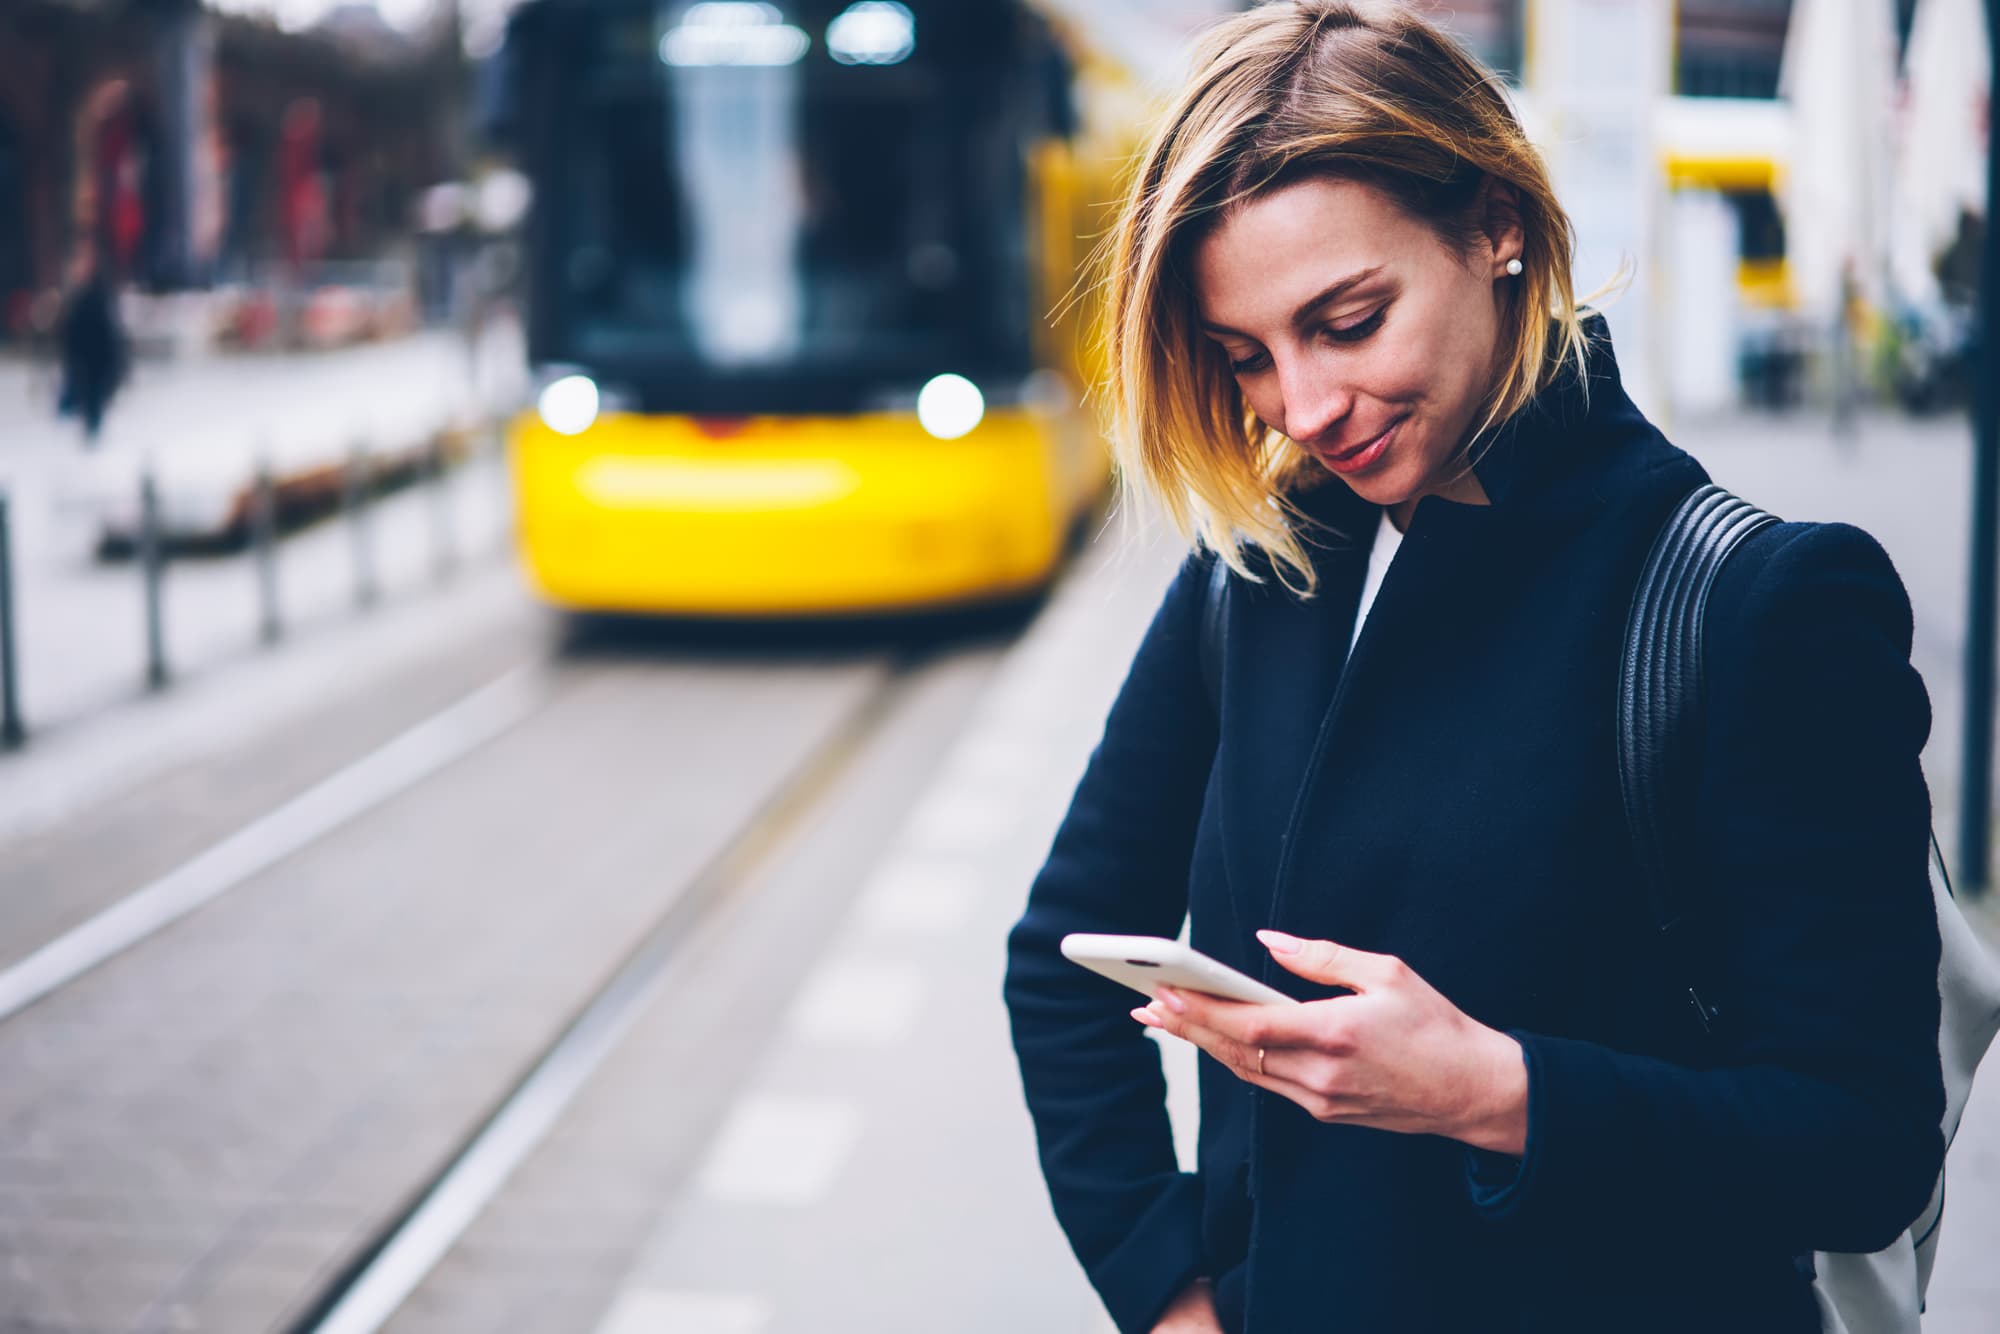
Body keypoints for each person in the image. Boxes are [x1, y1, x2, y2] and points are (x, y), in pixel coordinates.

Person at [1001, 5, 1944, 1332]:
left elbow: (1865, 1140)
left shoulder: (1752, 601)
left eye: (1348, 319)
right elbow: (1057, 959)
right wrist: (1169, 1288)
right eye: (1246, 358)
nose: (1304, 406)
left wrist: (1491, 1088)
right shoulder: (1261, 572)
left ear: (1498, 222)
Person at [57, 251, 127, 446]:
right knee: (88, 399)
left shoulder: (98, 297)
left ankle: (92, 434)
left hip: (96, 359)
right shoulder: (80, 297)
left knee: (93, 399)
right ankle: (89, 433)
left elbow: (109, 334)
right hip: (85, 360)